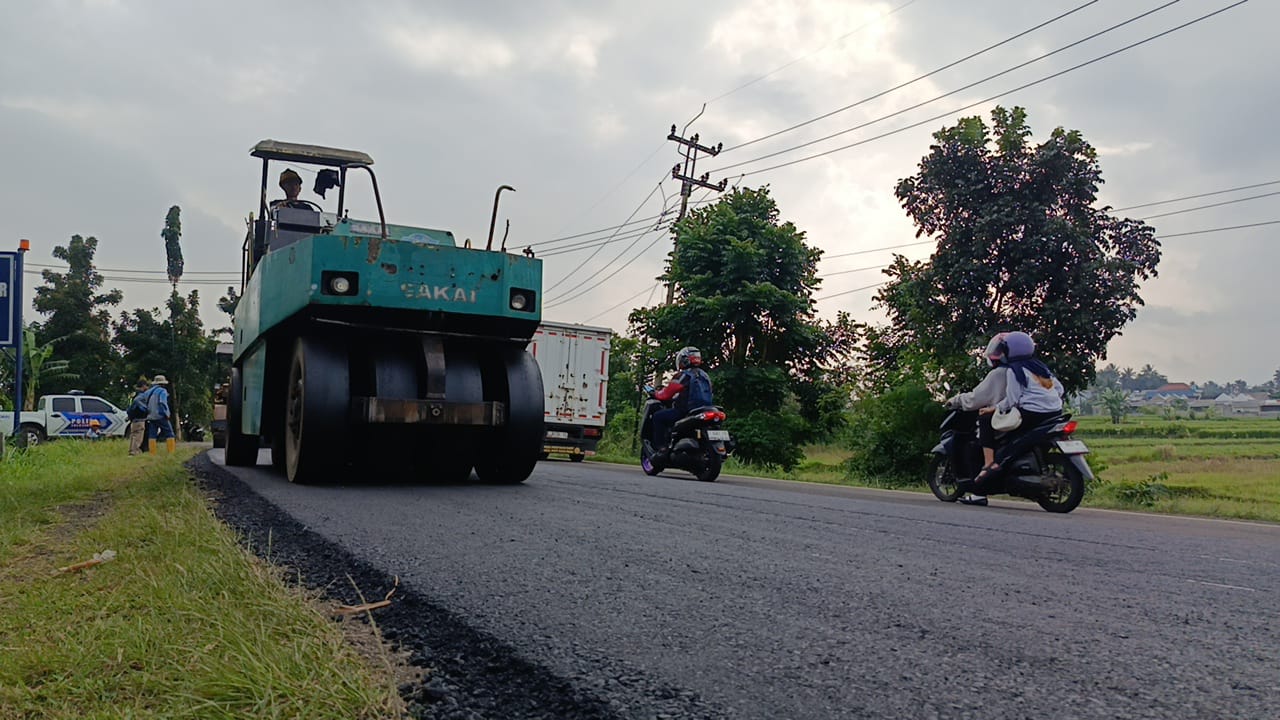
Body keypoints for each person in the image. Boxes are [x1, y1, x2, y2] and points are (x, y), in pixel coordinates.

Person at [973, 331, 1065, 486]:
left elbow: (1012, 400)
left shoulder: (1014, 370)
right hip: (1055, 412)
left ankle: (989, 464)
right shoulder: (1041, 367)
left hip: (1032, 414)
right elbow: (1060, 390)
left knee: (985, 419)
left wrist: (992, 409)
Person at [945, 332, 1012, 506]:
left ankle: (978, 492)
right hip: (1025, 419)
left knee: (974, 447)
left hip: (1003, 421)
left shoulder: (999, 374)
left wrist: (955, 400)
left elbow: (976, 398)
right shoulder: (1027, 370)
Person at [650, 346, 715, 451]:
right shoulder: (705, 376)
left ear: (683, 360)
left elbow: (666, 395)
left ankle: (661, 447)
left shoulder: (683, 376)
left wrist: (656, 394)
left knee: (658, 417)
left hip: (685, 411)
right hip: (705, 410)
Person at [146, 374, 177, 454]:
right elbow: (162, 403)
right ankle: (171, 452)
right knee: (169, 433)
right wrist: (166, 413)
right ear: (163, 383)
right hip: (160, 415)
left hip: (150, 416)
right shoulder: (162, 391)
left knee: (152, 434)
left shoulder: (149, 392)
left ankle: (152, 453)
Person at [127, 379, 151, 455]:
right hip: (140, 419)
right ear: (143, 386)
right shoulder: (141, 396)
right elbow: (139, 404)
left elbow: (130, 408)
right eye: (147, 385)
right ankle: (135, 451)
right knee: (138, 436)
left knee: (133, 435)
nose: (147, 387)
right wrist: (147, 410)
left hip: (133, 419)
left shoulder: (133, 395)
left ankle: (132, 450)